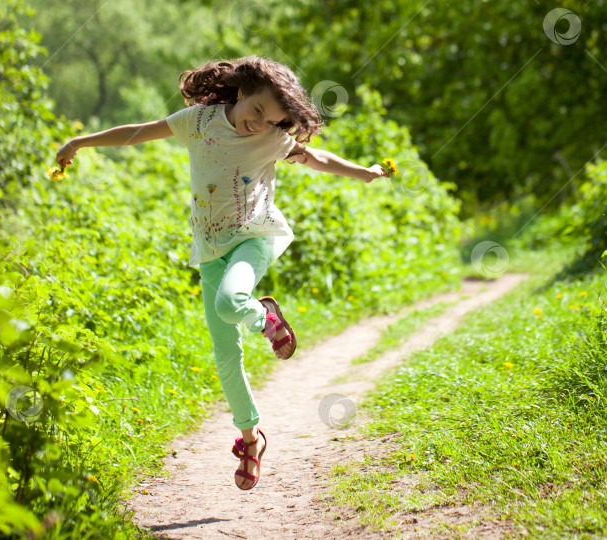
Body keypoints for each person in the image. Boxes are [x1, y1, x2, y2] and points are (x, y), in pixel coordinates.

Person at [55, 55, 390, 490]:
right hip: (210, 251)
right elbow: (139, 133)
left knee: (232, 302)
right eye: (255, 112)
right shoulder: (198, 122)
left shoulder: (272, 139)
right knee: (226, 357)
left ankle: (266, 319)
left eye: (271, 121)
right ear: (242, 91)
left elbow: (317, 158)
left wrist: (362, 173)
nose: (259, 125)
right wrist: (80, 141)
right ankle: (251, 439)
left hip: (255, 238)